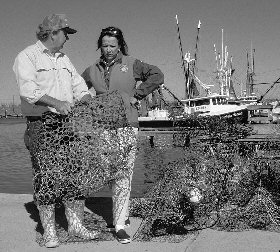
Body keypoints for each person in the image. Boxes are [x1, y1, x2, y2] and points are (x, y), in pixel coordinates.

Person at [13, 14, 98, 248]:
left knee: (74, 173)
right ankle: (49, 230)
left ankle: (76, 225)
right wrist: (57, 103)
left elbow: (79, 87)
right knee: (46, 177)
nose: (68, 38)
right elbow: (29, 90)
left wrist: (85, 99)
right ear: (53, 34)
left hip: (69, 125)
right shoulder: (27, 56)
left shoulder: (64, 59)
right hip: (41, 124)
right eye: (66, 33)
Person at [81, 26, 164, 244]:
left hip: (127, 125)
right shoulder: (92, 69)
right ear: (100, 45)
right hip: (103, 126)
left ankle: (119, 224)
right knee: (108, 170)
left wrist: (137, 94)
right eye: (105, 45)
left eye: (112, 45)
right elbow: (77, 87)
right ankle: (122, 213)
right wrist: (87, 102)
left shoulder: (132, 64)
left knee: (124, 172)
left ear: (120, 46)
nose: (108, 49)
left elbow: (157, 75)